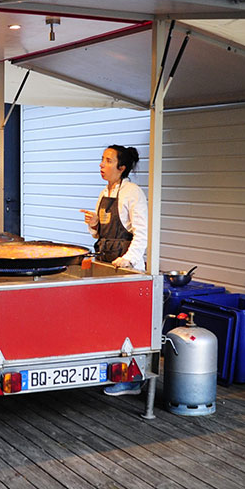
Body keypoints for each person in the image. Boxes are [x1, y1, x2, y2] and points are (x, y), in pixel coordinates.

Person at [81, 144, 148, 396]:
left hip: (127, 269)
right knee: (109, 323)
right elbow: (101, 233)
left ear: (121, 168)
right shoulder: (103, 192)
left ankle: (133, 380)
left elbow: (142, 233)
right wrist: (94, 225)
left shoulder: (133, 192)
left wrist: (128, 260)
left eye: (108, 161)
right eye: (102, 159)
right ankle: (112, 371)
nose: (101, 165)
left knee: (129, 324)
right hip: (106, 264)